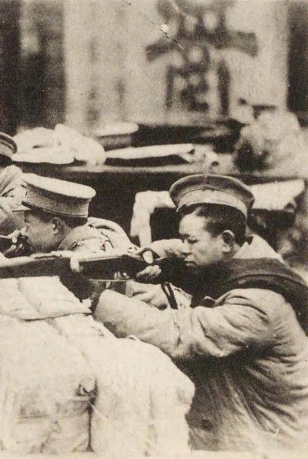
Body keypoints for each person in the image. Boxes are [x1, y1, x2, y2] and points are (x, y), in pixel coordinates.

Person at [90, 174, 308, 452]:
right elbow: (180, 250)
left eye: (190, 241)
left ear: (227, 241)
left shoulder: (258, 302)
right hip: (244, 415)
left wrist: (99, 300)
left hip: (266, 441)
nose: (184, 248)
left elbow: (183, 335)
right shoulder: (249, 254)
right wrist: (152, 255)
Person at [14, 173, 134, 299]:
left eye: (28, 226)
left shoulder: (85, 262)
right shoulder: (81, 237)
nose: (25, 232)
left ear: (55, 225)